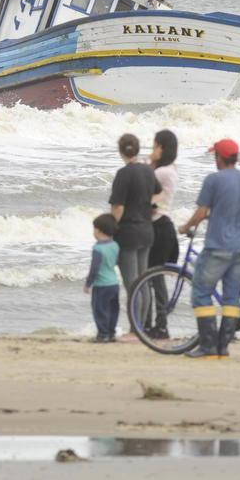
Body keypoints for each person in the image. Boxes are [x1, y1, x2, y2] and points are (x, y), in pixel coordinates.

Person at [178, 139, 240, 360]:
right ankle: (222, 348)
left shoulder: (214, 180)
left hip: (217, 247)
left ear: (219, 157)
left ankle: (208, 347)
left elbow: (201, 212)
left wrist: (185, 226)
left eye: (215, 156)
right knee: (231, 298)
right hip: (239, 247)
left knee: (201, 292)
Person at [109, 133, 158, 328]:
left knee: (132, 284)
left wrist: (111, 231)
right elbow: (157, 193)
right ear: (137, 149)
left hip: (128, 233)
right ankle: (142, 327)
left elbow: (118, 208)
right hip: (147, 230)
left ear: (121, 151)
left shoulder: (123, 174)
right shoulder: (147, 171)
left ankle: (135, 329)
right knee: (143, 281)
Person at [146, 130, 179, 338]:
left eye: (155, 146)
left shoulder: (160, 172)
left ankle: (160, 325)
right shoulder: (171, 169)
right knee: (155, 279)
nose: (152, 150)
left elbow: (147, 197)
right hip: (165, 226)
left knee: (153, 278)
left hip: (157, 226)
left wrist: (149, 165)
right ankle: (159, 323)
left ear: (162, 148)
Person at [85, 214, 121, 343]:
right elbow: (116, 261)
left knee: (100, 309)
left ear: (98, 230)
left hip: (101, 285)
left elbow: (94, 268)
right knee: (113, 310)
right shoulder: (115, 245)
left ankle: (102, 334)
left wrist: (88, 284)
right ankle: (111, 333)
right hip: (114, 283)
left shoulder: (98, 248)